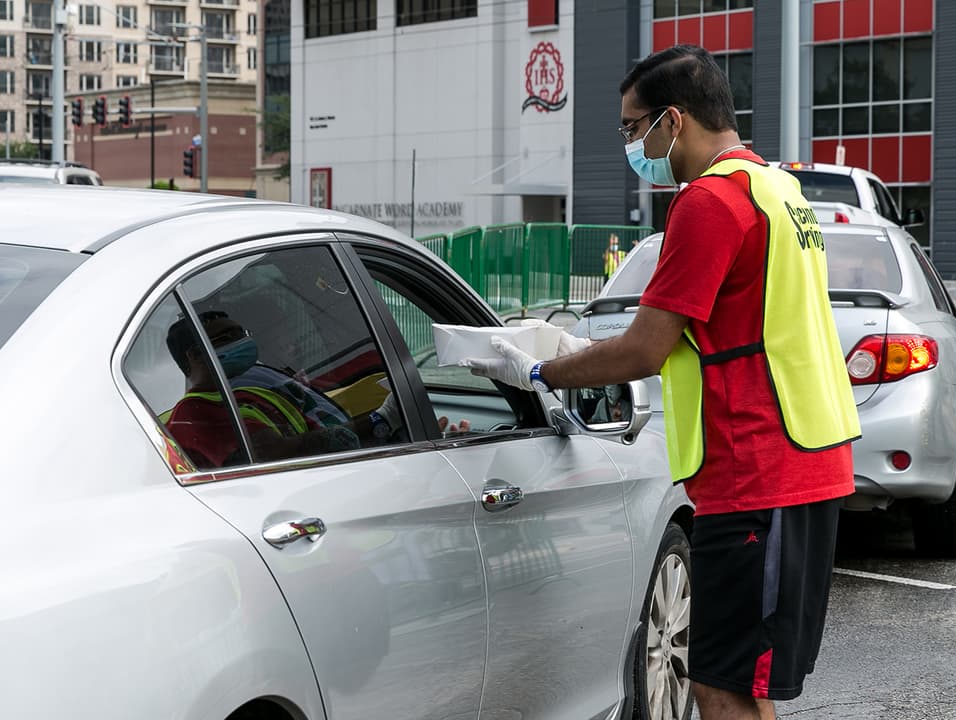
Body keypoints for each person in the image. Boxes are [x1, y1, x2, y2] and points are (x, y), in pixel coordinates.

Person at [464, 45, 859, 720]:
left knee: (717, 686)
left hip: (759, 473)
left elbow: (648, 348)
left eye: (630, 126)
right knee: (738, 682)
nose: (629, 143)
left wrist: (536, 368)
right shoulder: (775, 190)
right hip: (797, 462)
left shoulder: (708, 202)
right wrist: (584, 348)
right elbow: (715, 328)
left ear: (672, 121)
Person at [163, 310, 406, 468]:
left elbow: (323, 434)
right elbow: (274, 454)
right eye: (228, 337)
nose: (243, 342)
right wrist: (384, 417)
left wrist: (384, 421)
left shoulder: (253, 392)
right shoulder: (195, 415)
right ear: (196, 355)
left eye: (242, 334)